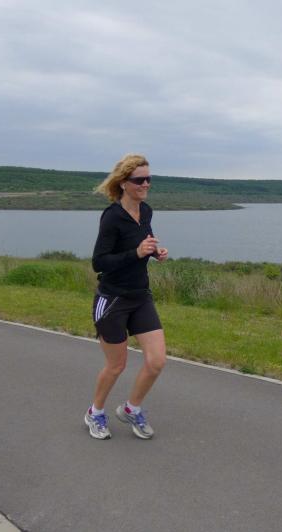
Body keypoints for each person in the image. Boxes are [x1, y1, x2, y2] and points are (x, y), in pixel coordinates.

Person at [84, 154, 168, 440]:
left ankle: (132, 409)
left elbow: (144, 241)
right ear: (123, 183)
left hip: (140, 296)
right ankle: (95, 412)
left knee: (156, 361)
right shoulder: (112, 217)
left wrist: (154, 252)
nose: (145, 184)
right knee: (116, 366)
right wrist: (136, 253)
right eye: (139, 180)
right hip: (113, 300)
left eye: (148, 179)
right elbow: (99, 262)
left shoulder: (146, 211)